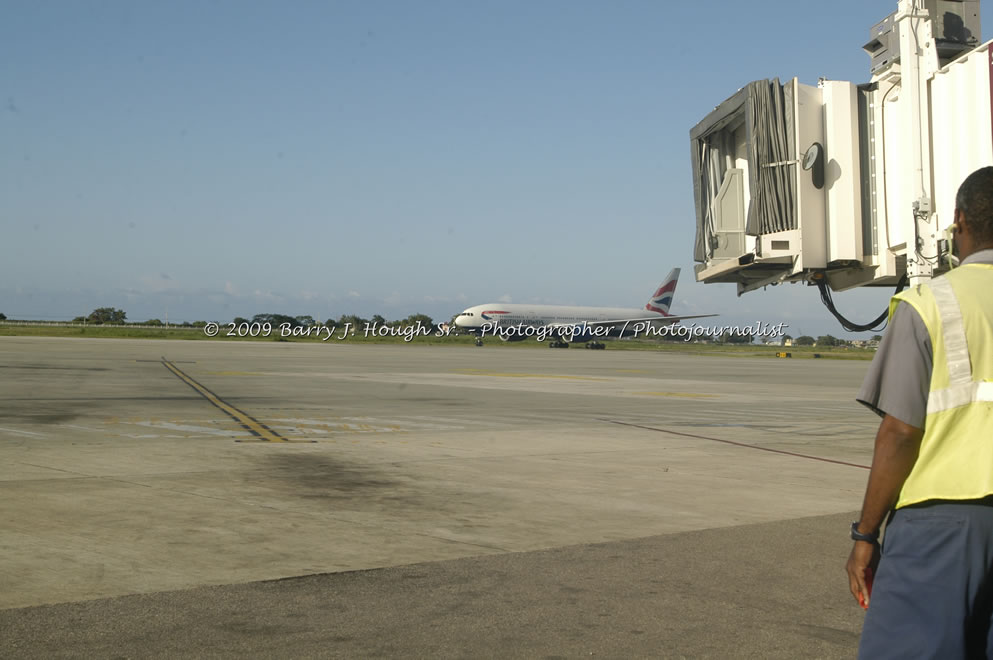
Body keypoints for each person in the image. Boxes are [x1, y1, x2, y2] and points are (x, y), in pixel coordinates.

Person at [846, 165, 993, 658]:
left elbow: (900, 433)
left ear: (959, 221)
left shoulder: (930, 302)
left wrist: (865, 534)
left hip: (943, 523)